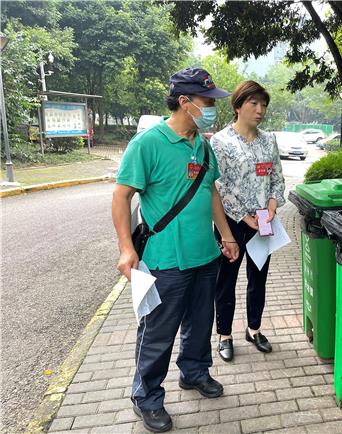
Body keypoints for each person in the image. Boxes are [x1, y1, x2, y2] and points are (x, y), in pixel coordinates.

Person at [112, 67, 239, 433]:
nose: (212, 106)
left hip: (205, 255)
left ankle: (195, 372)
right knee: (157, 333)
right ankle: (147, 396)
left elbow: (210, 192)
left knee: (200, 324)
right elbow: (121, 196)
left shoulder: (202, 144)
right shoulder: (147, 144)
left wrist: (227, 237)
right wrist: (125, 249)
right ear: (184, 101)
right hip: (165, 260)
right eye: (206, 101)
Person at [210, 80, 285, 362]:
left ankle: (254, 329)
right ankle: (224, 334)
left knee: (259, 278)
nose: (260, 110)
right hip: (231, 223)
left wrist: (273, 207)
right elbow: (218, 186)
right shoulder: (221, 141)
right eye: (254, 103)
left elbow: (277, 179)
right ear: (238, 106)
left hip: (264, 221)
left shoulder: (269, 141)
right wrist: (244, 216)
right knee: (226, 280)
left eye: (263, 105)